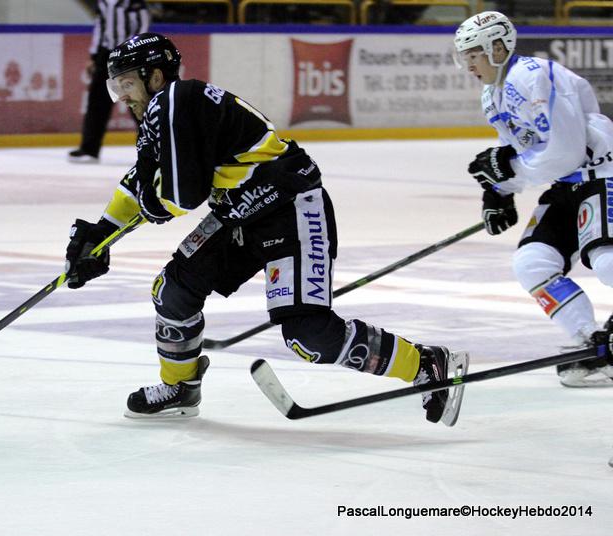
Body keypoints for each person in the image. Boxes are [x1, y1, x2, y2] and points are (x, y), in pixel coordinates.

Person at [64, 32, 468, 421]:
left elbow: (180, 197)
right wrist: (101, 232)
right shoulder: (166, 110)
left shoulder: (171, 102)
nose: (123, 97)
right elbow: (142, 180)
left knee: (308, 335)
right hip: (240, 215)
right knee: (173, 290)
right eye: (117, 87)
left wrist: (144, 212)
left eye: (127, 84)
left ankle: (425, 363)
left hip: (291, 209)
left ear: (155, 76)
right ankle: (180, 387)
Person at [454, 11, 613, 387]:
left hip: (603, 174)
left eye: (474, 54)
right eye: (465, 57)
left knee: (607, 260)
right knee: (532, 263)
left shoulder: (532, 76)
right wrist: (498, 192)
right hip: (566, 185)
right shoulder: (492, 96)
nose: (469, 65)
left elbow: (566, 151)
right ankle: (592, 343)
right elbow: (517, 150)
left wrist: (509, 170)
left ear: (498, 48)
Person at [68, 0, 150, 164]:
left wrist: (135, 53)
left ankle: (156, 148)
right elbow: (100, 28)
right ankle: (89, 149)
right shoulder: (104, 2)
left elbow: (143, 27)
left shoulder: (134, 3)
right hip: (106, 55)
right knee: (97, 103)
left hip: (130, 57)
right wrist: (94, 56)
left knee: (138, 103)